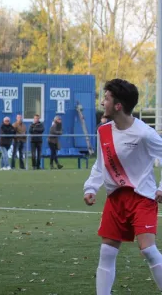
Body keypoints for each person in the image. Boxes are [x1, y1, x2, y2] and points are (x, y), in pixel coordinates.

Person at [83, 78, 162, 294]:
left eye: (106, 99)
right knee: (106, 252)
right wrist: (91, 188)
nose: (102, 103)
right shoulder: (103, 131)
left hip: (142, 198)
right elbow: (100, 166)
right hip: (115, 199)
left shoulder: (144, 133)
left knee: (148, 251)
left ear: (118, 105)